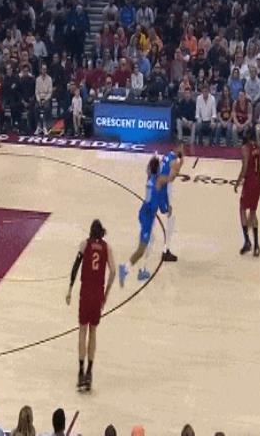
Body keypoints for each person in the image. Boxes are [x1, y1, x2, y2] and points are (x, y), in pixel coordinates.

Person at [66, 219, 116, 390]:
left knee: (82, 331)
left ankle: (80, 371)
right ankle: (89, 371)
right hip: (97, 294)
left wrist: (70, 288)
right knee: (93, 331)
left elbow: (75, 267)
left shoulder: (84, 245)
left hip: (86, 292)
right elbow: (113, 271)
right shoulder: (107, 248)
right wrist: (106, 294)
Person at [119, 156, 170, 286]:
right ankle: (125, 268)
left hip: (145, 214)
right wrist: (166, 209)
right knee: (142, 249)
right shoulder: (157, 184)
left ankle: (142, 269)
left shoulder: (151, 179)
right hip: (147, 218)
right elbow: (159, 206)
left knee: (151, 241)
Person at [234, 130, 260, 257]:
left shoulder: (245, 148)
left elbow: (244, 167)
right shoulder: (257, 147)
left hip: (250, 181)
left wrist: (238, 181)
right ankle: (256, 246)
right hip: (258, 181)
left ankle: (247, 241)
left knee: (242, 209)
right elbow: (259, 165)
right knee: (253, 212)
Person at [158, 144, 184, 261]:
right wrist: (180, 164)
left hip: (159, 187)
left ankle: (165, 249)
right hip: (165, 190)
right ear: (178, 148)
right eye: (182, 148)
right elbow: (172, 178)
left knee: (169, 218)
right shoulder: (174, 161)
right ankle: (166, 250)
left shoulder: (166, 156)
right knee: (171, 218)